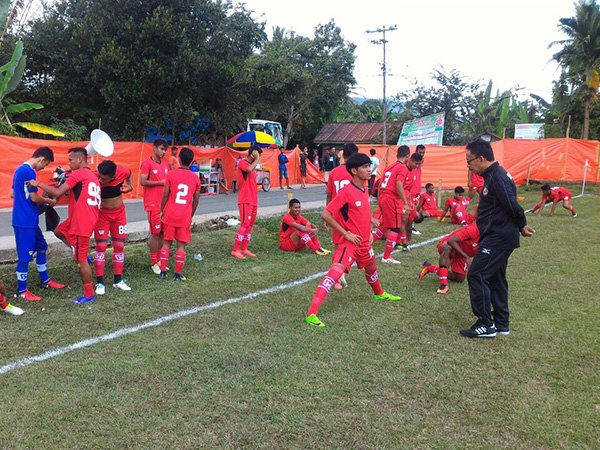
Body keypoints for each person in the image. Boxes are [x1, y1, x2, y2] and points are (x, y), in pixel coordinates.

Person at [305, 153, 403, 328]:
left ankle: (379, 293)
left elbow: (361, 211)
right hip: (350, 243)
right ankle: (311, 314)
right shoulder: (346, 192)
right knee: (335, 272)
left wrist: (370, 228)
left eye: (369, 166)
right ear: (354, 170)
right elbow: (326, 214)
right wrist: (346, 233)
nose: (369, 169)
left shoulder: (364, 188)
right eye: (365, 167)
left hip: (365, 242)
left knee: (372, 267)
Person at [460, 139, 535, 338]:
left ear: (481, 158)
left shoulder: (498, 178)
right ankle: (501, 323)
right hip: (497, 235)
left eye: (469, 161)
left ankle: (486, 324)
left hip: (498, 237)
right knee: (495, 277)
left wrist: (522, 225)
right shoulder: (492, 176)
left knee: (477, 274)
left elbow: (513, 206)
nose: (468, 165)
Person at [29, 147, 101, 305]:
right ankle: (81, 253)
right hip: (84, 217)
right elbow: (75, 193)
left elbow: (57, 192)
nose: (68, 163)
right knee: (58, 230)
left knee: (81, 261)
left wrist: (38, 183)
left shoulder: (79, 173)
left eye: (70, 160)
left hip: (81, 221)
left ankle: (89, 294)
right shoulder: (91, 175)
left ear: (80, 160)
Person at [12, 146, 65, 302]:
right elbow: (34, 198)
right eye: (45, 164)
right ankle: (22, 290)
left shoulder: (19, 170)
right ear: (42, 159)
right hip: (24, 221)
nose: (44, 167)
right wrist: (48, 200)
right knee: (25, 257)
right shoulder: (29, 171)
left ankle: (46, 281)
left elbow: (13, 193)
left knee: (42, 247)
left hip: (30, 220)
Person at [158, 147, 201, 280]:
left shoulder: (171, 174)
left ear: (179, 159)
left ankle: (163, 272)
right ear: (191, 162)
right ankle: (177, 274)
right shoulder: (195, 178)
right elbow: (196, 200)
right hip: (184, 215)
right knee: (181, 245)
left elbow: (165, 195)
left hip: (170, 213)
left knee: (166, 243)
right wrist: (191, 214)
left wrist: (161, 210)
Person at [94, 160, 134, 295]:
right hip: (102, 215)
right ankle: (99, 283)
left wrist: (130, 186)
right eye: (99, 176)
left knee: (119, 246)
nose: (99, 179)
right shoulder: (94, 177)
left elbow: (130, 172)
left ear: (113, 176)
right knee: (101, 247)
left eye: (103, 178)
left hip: (119, 215)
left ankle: (118, 280)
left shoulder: (121, 171)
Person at [326, 143, 359, 289]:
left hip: (336, 214)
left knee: (339, 244)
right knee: (350, 243)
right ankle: (339, 276)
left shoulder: (334, 172)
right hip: (352, 213)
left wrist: (329, 212)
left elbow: (329, 194)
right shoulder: (355, 172)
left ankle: (339, 275)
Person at [372, 145, 413, 264]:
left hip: (383, 197)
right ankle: (387, 256)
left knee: (385, 225)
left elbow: (380, 184)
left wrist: (380, 199)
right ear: (407, 156)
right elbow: (398, 185)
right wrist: (405, 202)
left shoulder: (389, 167)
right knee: (395, 227)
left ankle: (367, 245)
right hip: (391, 199)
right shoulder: (402, 167)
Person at [419, 223, 480, 294]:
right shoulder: (474, 229)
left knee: (459, 278)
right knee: (448, 248)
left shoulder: (491, 237)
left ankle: (430, 268)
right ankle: (443, 285)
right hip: (449, 245)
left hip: (461, 253)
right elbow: (451, 241)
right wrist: (466, 257)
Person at [140, 139, 169, 274]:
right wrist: (160, 183)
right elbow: (143, 181)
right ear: (154, 148)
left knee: (163, 232)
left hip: (164, 204)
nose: (163, 152)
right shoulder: (147, 163)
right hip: (153, 204)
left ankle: (159, 260)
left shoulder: (165, 164)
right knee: (155, 233)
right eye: (161, 149)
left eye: (165, 150)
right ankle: (153, 262)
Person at [231, 145, 262, 259]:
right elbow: (248, 169)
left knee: (250, 225)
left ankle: (244, 248)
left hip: (253, 200)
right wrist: (257, 159)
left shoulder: (252, 167)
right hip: (245, 200)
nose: (259, 158)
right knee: (244, 224)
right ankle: (235, 250)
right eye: (258, 154)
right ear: (253, 153)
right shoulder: (243, 163)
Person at [409, 144, 426, 235]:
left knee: (415, 208)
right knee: (411, 209)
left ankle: (411, 226)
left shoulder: (420, 163)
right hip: (411, 190)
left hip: (417, 190)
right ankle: (410, 227)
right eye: (420, 152)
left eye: (423, 153)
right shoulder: (412, 163)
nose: (422, 154)